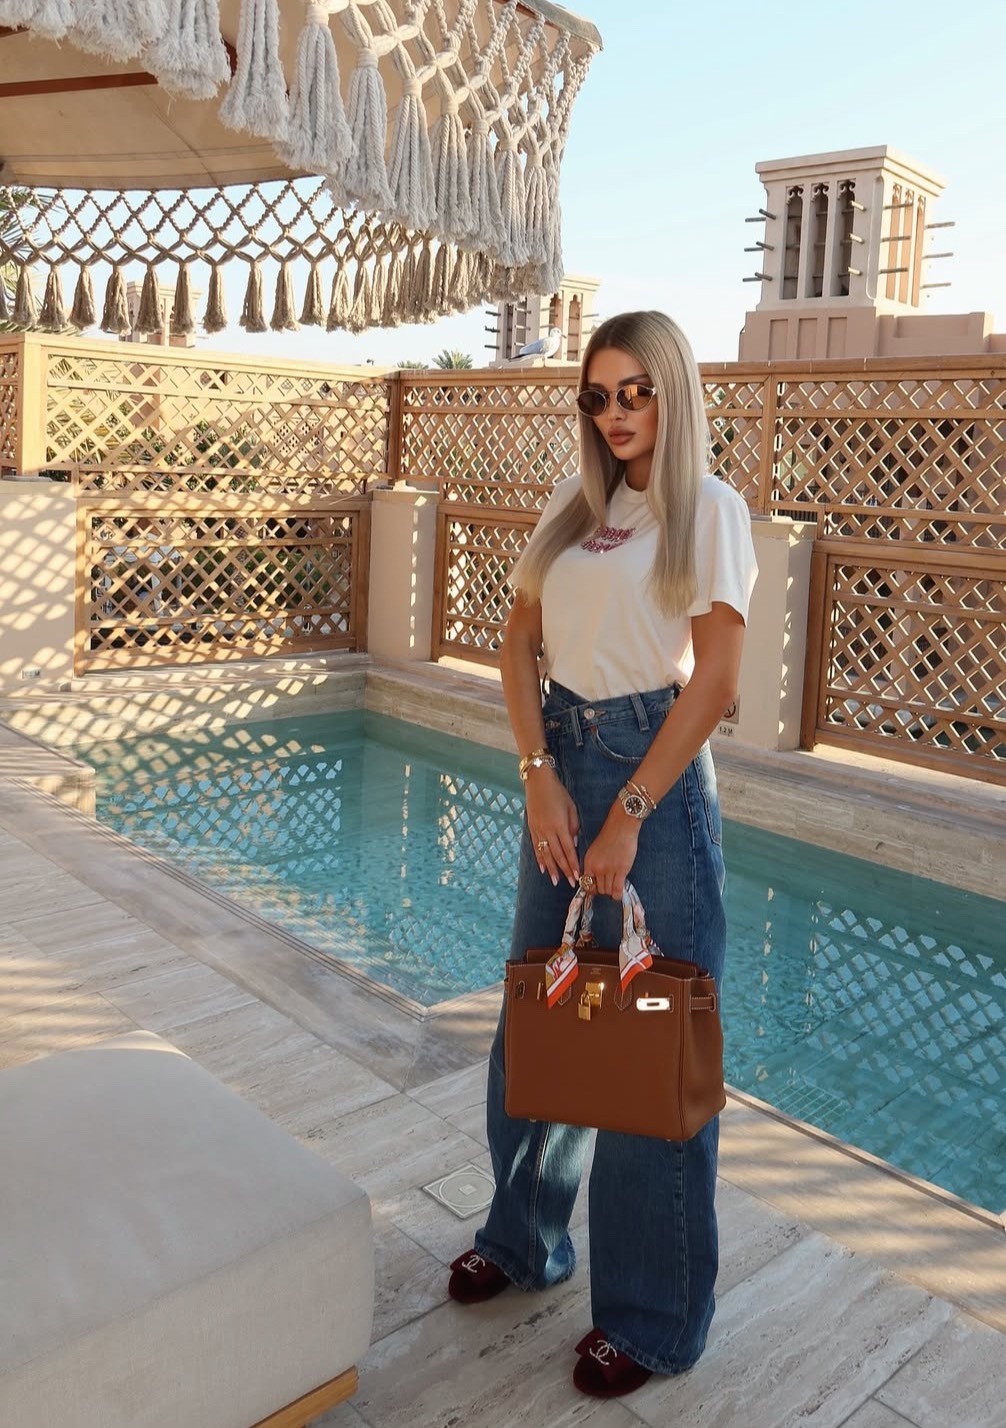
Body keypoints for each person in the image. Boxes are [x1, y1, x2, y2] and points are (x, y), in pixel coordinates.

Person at [446, 310, 759, 1399]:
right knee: (537, 1020)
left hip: (653, 781)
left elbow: (716, 683)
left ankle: (653, 1318)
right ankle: (524, 1238)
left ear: (671, 392)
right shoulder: (575, 506)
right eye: (597, 395)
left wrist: (627, 809)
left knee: (648, 1046)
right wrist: (537, 770)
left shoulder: (708, 510)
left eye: (635, 391)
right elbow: (517, 642)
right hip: (563, 761)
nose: (615, 413)